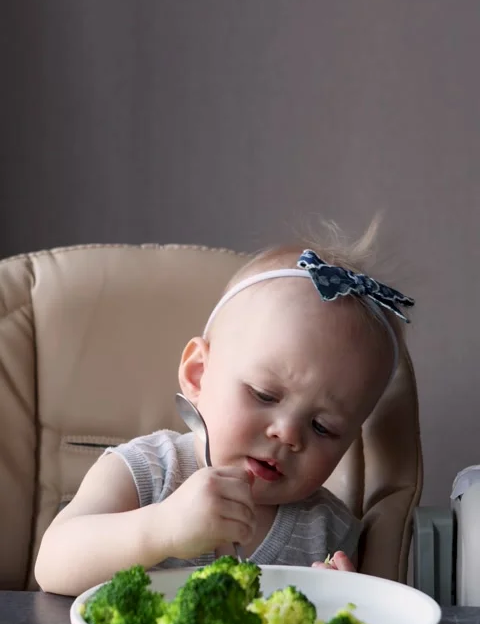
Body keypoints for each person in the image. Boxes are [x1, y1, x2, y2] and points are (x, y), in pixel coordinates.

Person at [35, 222, 414, 596]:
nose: (288, 433)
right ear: (198, 375)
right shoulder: (147, 471)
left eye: (323, 427)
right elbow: (51, 564)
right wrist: (162, 528)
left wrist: (345, 598)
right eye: (265, 395)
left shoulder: (328, 530)